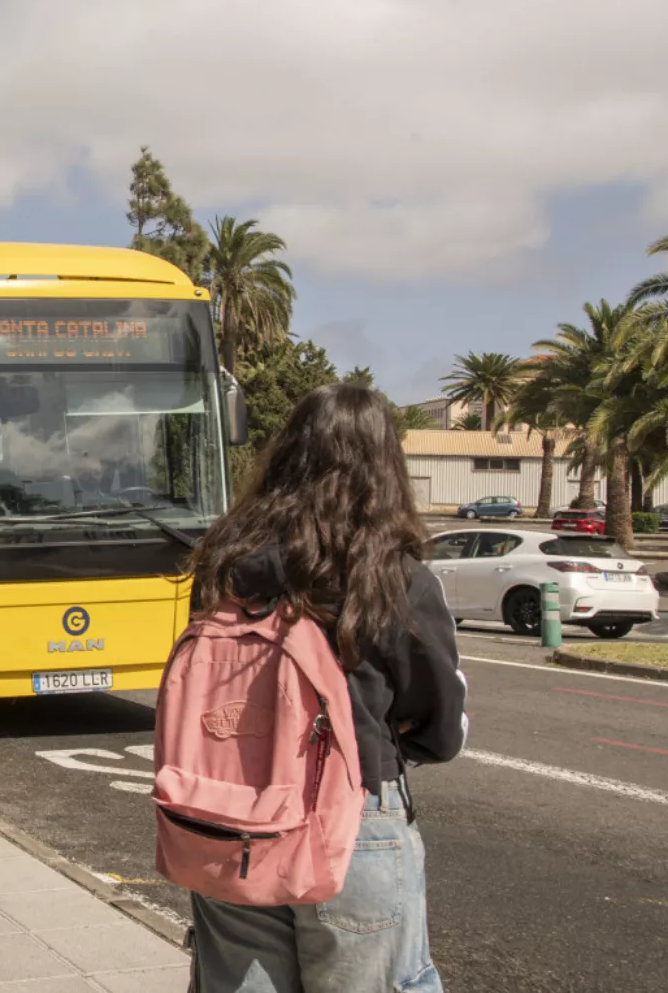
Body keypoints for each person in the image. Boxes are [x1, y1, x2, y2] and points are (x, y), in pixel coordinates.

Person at [179, 384, 466, 993]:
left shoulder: (226, 566)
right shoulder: (394, 578)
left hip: (232, 816)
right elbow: (439, 726)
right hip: (355, 816)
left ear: (287, 455)